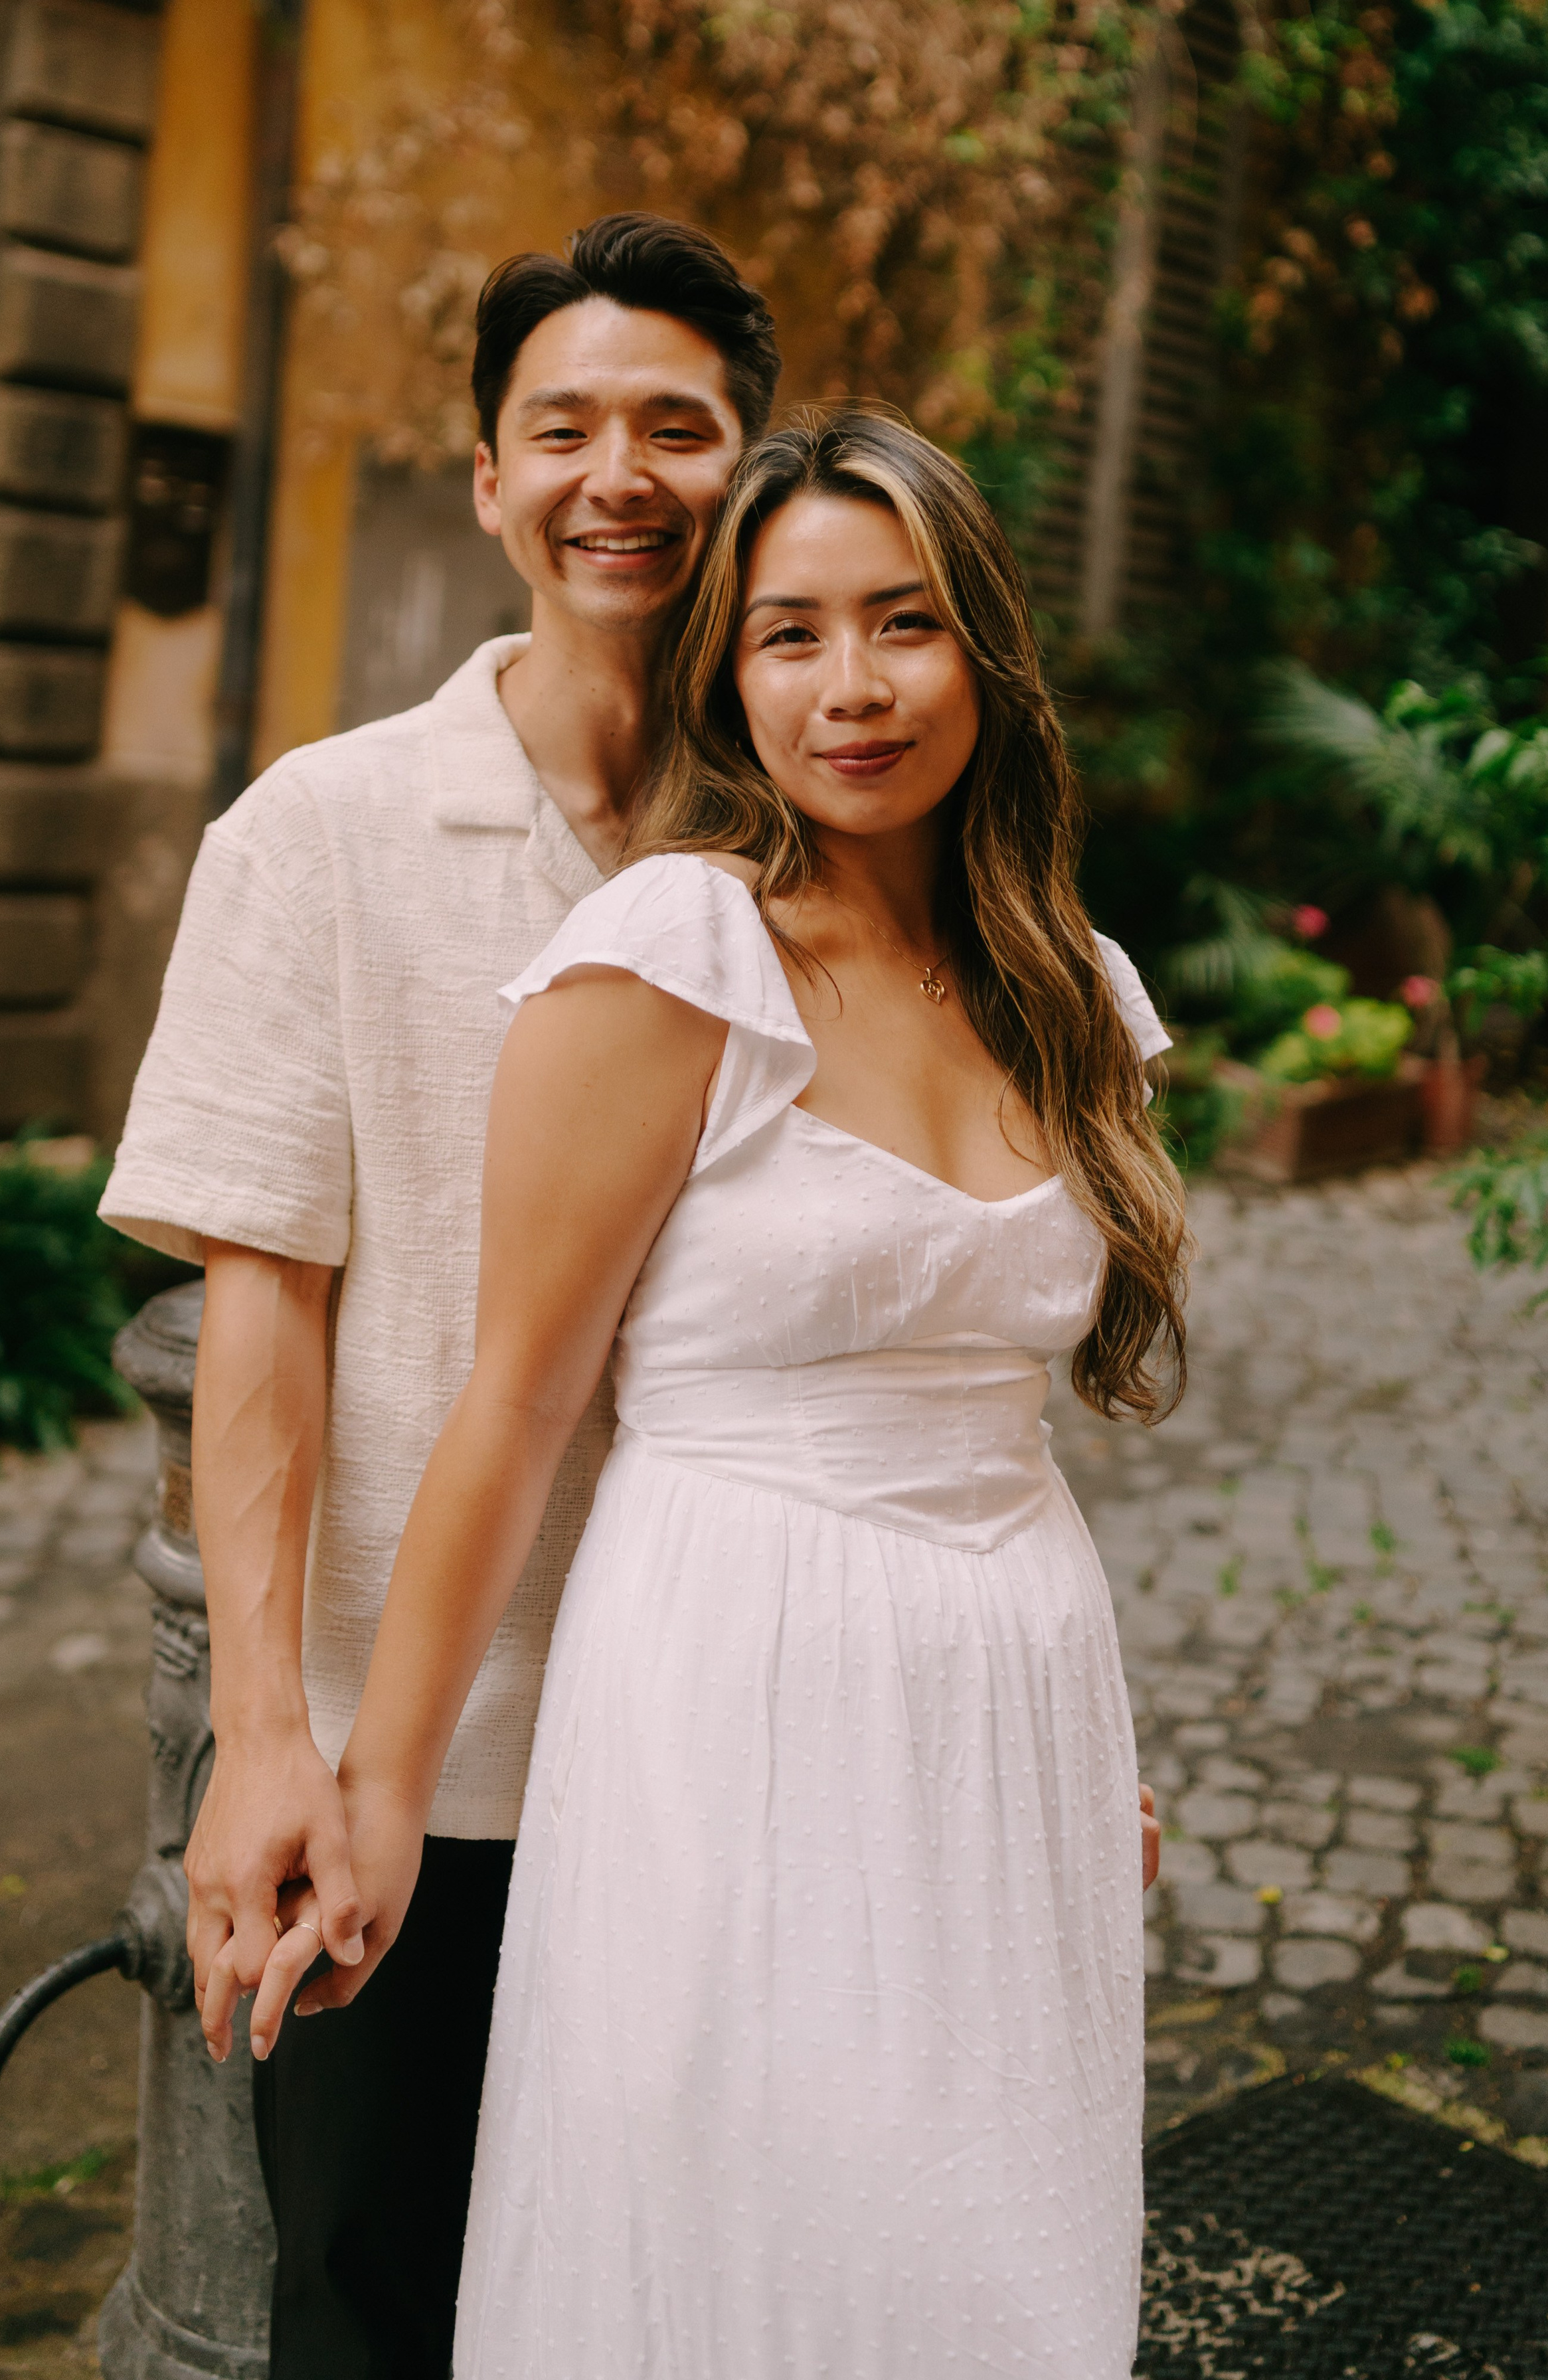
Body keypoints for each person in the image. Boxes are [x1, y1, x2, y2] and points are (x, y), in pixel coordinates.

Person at [251, 408, 1185, 2374]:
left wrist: (1086, 1753)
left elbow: (987, 1396)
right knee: (749, 2239)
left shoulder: (1070, 986)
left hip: (1013, 1692)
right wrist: (382, 1797)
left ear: (986, 650)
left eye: (905, 622)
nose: (854, 688)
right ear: (727, 675)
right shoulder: (674, 957)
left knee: (985, 2262)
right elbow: (514, 1407)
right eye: (790, 634)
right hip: (733, 1682)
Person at [98, 214, 781, 2379]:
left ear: (750, 467)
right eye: (562, 429)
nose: (619, 477)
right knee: (371, 2306)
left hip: (736, 1739)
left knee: (691, 2311)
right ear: (489, 480)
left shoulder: (820, 836)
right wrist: (263, 1740)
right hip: (423, 1760)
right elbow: (263, 1303)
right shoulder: (321, 833)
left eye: (676, 428)